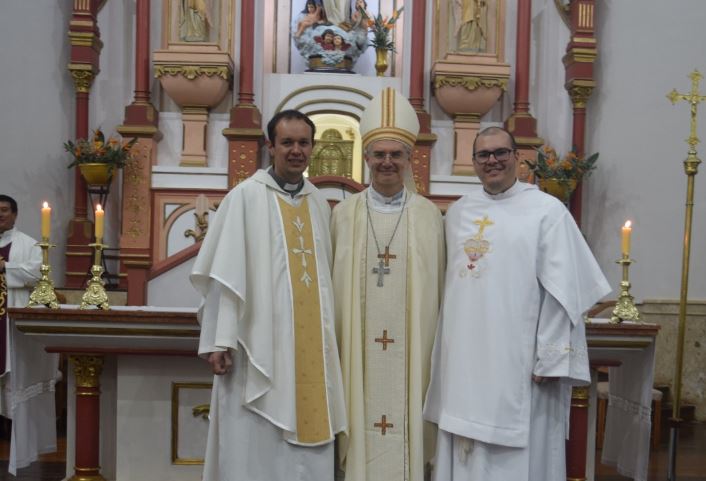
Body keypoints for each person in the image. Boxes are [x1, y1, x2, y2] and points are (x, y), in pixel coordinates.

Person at [423, 127, 611, 481]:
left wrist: (551, 355)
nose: (492, 160)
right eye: (483, 155)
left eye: (500, 152)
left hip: (522, 363)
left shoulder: (546, 211)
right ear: (474, 163)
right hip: (464, 359)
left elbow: (565, 290)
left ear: (516, 157)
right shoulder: (459, 213)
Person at [191, 110, 346, 481]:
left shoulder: (319, 205)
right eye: (287, 142)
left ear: (313, 148)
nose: (296, 150)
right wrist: (220, 339)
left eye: (304, 143)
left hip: (311, 350)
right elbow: (225, 278)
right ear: (270, 146)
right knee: (252, 443)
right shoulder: (245, 197)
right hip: (254, 347)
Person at [332, 88, 445, 481]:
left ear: (410, 160)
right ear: (365, 159)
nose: (386, 162)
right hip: (357, 349)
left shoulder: (430, 217)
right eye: (378, 154)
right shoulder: (343, 215)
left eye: (395, 155)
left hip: (415, 349)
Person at [0, 194, 59, 474]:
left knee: (15, 381)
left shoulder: (29, 244)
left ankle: (21, 449)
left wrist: (5, 267)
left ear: (15, 214)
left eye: (4, 210)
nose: (0, 215)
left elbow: (38, 274)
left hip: (13, 321)